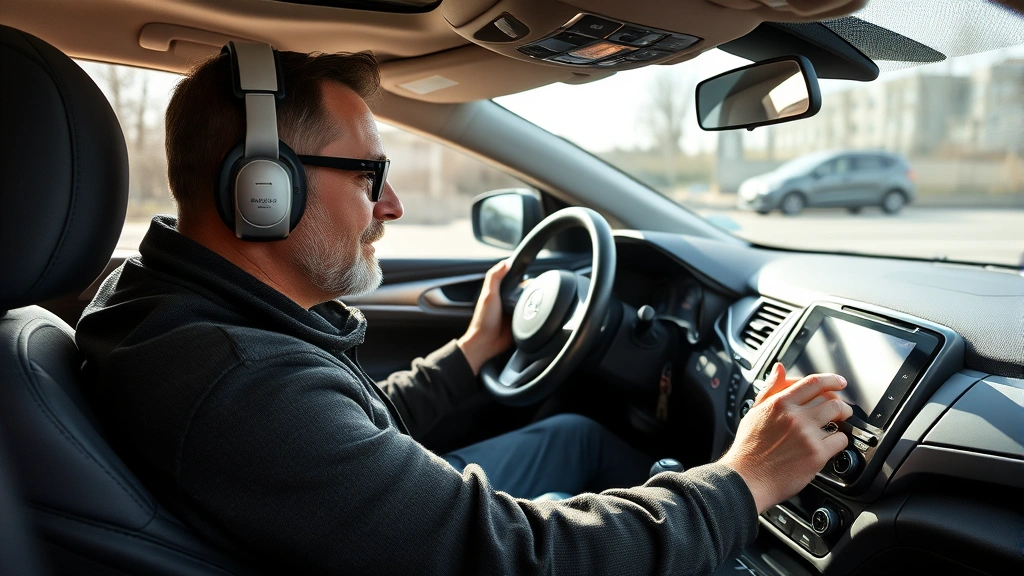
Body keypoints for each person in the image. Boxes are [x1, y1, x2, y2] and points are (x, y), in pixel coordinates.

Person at [77, 48, 853, 575]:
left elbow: (348, 433)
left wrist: (477, 349)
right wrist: (745, 481)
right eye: (368, 174)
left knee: (577, 437)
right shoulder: (237, 382)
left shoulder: (173, 312)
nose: (393, 204)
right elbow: (511, 557)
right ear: (262, 188)